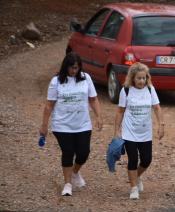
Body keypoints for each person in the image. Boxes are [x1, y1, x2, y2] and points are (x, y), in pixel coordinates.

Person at [39, 52, 103, 196]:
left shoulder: (86, 79)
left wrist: (99, 116)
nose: (74, 71)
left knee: (83, 152)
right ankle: (67, 184)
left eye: (77, 68)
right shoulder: (56, 81)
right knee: (68, 152)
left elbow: (93, 99)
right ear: (66, 67)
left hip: (83, 124)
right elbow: (49, 105)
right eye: (72, 68)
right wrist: (44, 125)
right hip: (62, 125)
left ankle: (75, 172)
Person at [113, 62, 164, 200]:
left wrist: (161, 125)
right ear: (132, 78)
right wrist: (116, 130)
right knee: (133, 159)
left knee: (147, 160)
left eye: (144, 78)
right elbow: (120, 111)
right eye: (139, 78)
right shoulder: (126, 90)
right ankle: (133, 188)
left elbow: (157, 108)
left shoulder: (150, 89)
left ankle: (136, 176)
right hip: (129, 132)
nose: (142, 81)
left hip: (145, 132)